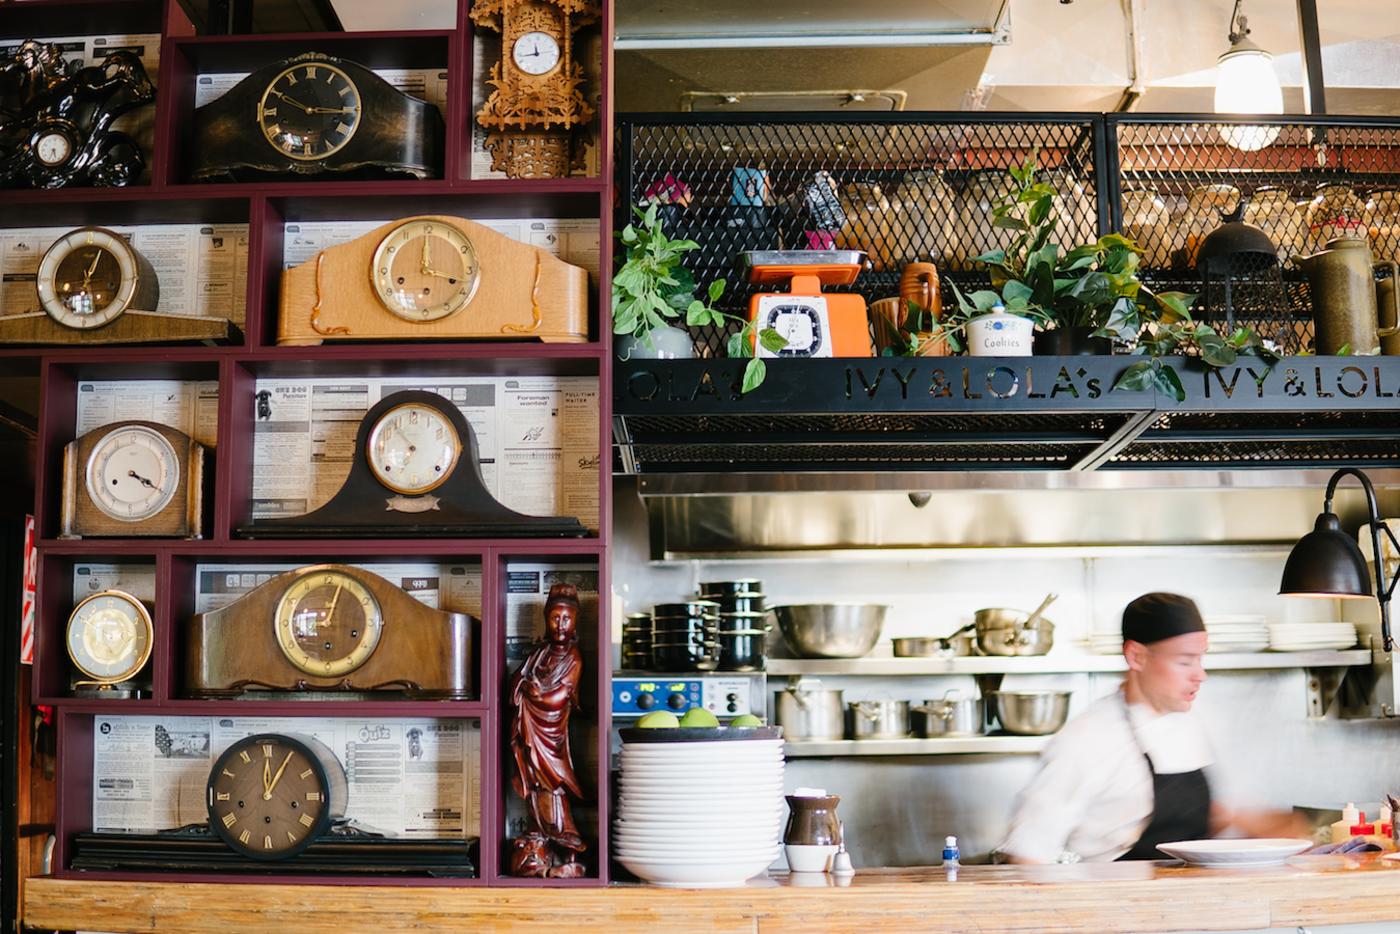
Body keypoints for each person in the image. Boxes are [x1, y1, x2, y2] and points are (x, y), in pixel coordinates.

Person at [999, 592, 1304, 863]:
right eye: (1185, 661)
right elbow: (1028, 853)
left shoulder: (1196, 721)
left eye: (1201, 659)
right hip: (1118, 913)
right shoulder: (1086, 739)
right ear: (1137, 657)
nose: (1201, 675)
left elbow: (1216, 817)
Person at [509, 583, 587, 876]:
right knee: (532, 783)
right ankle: (539, 841)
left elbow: (562, 695)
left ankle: (567, 844)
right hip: (530, 730)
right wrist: (523, 686)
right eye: (555, 617)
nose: (560, 625)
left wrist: (538, 693)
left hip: (551, 735)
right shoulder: (539, 653)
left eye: (566, 618)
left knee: (554, 786)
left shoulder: (573, 658)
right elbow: (516, 679)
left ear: (575, 621)